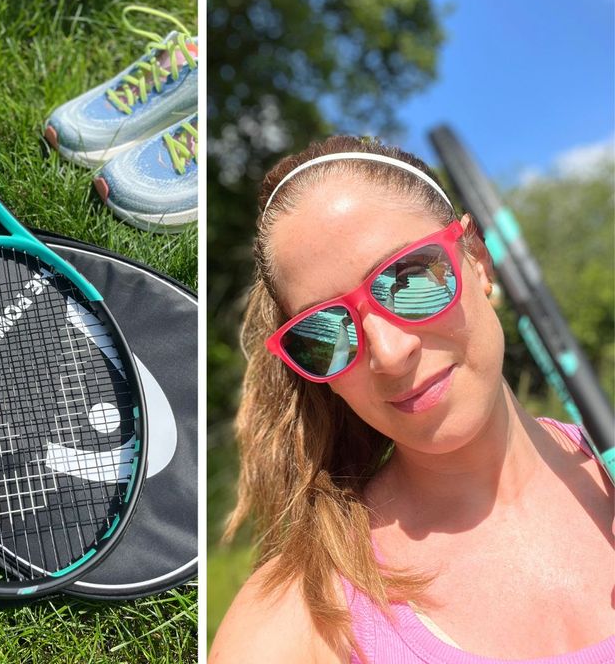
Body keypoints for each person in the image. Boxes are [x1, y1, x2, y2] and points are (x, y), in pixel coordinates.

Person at [210, 136, 614, 663]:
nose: (390, 352)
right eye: (326, 330)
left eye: (408, 279)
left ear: (477, 260)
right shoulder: (291, 626)